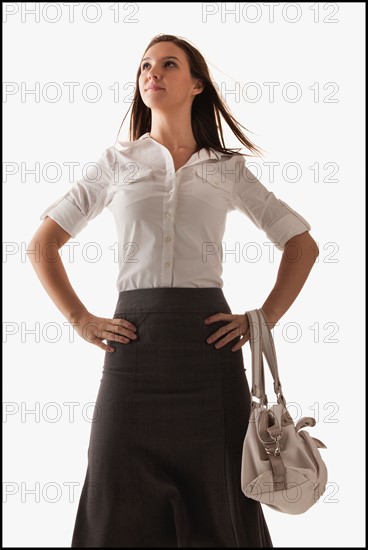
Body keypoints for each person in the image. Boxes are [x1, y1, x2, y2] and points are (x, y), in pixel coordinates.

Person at [27, 33, 319, 548]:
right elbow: (42, 245)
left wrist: (262, 319)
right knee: (113, 504)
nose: (152, 73)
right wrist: (81, 320)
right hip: (132, 350)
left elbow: (301, 245)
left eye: (167, 64)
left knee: (223, 505)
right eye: (144, 67)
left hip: (210, 353)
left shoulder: (226, 169)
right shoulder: (116, 164)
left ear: (197, 84)